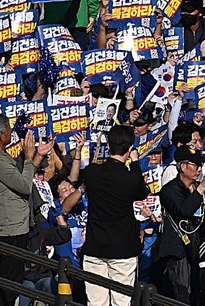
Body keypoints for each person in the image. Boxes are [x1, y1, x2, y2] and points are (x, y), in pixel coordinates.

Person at [0, 112, 54, 306]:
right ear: (2, 135)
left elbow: (21, 177)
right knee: (9, 287)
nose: (12, 134)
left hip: (15, 228)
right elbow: (24, 185)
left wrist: (38, 156)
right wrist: (30, 157)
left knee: (13, 282)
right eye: (10, 130)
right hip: (9, 232)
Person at [80, 124, 152, 306]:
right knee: (122, 301)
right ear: (129, 149)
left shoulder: (91, 172)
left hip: (95, 246)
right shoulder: (130, 178)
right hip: (123, 249)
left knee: (96, 302)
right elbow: (142, 191)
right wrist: (135, 162)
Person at [155, 146, 205, 302]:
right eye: (196, 166)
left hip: (197, 249)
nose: (199, 170)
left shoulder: (196, 188)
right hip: (179, 250)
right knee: (181, 292)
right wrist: (201, 188)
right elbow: (184, 210)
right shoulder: (169, 190)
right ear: (183, 167)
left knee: (199, 290)